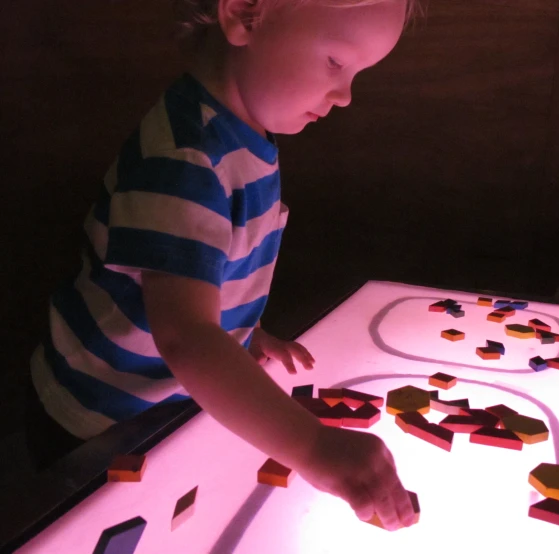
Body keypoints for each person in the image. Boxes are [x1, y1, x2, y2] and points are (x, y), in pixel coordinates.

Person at [24, 0, 423, 531]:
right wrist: (314, 445)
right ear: (247, 14)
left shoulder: (244, 134)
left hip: (156, 409)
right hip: (95, 424)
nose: (346, 95)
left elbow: (198, 271)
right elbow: (186, 336)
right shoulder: (186, 158)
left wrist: (242, 329)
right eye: (335, 62)